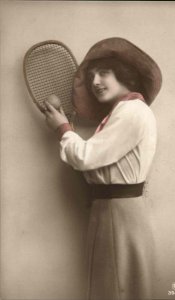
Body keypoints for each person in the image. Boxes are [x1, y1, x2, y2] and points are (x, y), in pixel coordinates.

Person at [44, 37, 162, 300]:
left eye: (104, 73)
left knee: (116, 290)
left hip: (118, 214)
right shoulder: (123, 112)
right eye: (92, 76)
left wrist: (63, 129)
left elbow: (85, 157)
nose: (95, 81)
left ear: (126, 75)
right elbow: (93, 166)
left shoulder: (132, 110)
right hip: (110, 212)